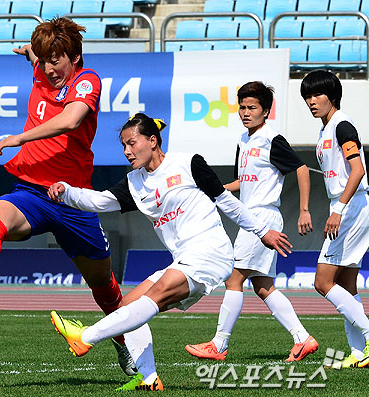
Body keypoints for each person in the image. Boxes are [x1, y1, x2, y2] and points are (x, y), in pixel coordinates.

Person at [0, 17, 136, 376]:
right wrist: (32, 51)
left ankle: (124, 345)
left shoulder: (87, 80)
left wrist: (20, 138)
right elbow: (36, 56)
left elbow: (71, 120)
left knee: (104, 287)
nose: (49, 68)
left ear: (74, 57)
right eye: (44, 61)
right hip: (31, 191)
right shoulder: (42, 69)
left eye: (56, 59)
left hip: (72, 200)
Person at [48, 113, 292, 390]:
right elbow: (100, 201)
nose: (127, 151)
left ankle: (86, 336)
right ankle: (148, 378)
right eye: (123, 147)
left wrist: (262, 231)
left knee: (155, 294)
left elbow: (227, 202)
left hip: (211, 252)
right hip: (184, 258)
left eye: (132, 143)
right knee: (128, 306)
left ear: (152, 141)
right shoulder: (134, 182)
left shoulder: (188, 163)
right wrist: (66, 191)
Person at [185, 82, 318, 362]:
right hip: (251, 216)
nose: (246, 112)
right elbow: (241, 182)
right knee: (263, 286)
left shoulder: (272, 139)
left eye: (252, 108)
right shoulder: (243, 141)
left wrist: (304, 209)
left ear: (266, 111)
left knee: (233, 279)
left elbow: (302, 168)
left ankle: (219, 344)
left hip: (262, 217)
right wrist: (215, 190)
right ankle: (302, 338)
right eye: (242, 107)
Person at [300, 70, 369, 368]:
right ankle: (358, 353)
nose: (311, 101)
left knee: (322, 281)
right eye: (307, 96)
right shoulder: (324, 129)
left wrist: (338, 210)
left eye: (317, 95)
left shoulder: (342, 126)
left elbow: (358, 171)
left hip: (351, 207)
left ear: (333, 96)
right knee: (347, 284)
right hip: (345, 205)